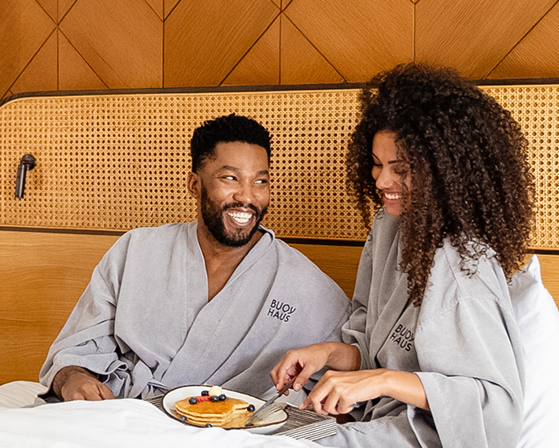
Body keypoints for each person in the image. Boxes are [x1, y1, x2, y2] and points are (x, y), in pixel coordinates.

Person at [272, 63, 535, 448]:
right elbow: (381, 346)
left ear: (445, 169)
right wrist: (328, 354)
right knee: (266, 430)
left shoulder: (463, 267)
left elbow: (495, 409)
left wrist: (380, 382)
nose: (382, 181)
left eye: (401, 168)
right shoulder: (390, 228)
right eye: (376, 165)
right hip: (381, 422)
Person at [40, 114, 350, 403]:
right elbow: (75, 352)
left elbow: (349, 371)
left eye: (260, 181)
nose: (247, 196)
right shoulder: (136, 251)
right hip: (125, 414)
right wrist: (72, 378)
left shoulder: (304, 284)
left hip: (231, 436)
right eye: (230, 178)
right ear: (194, 185)